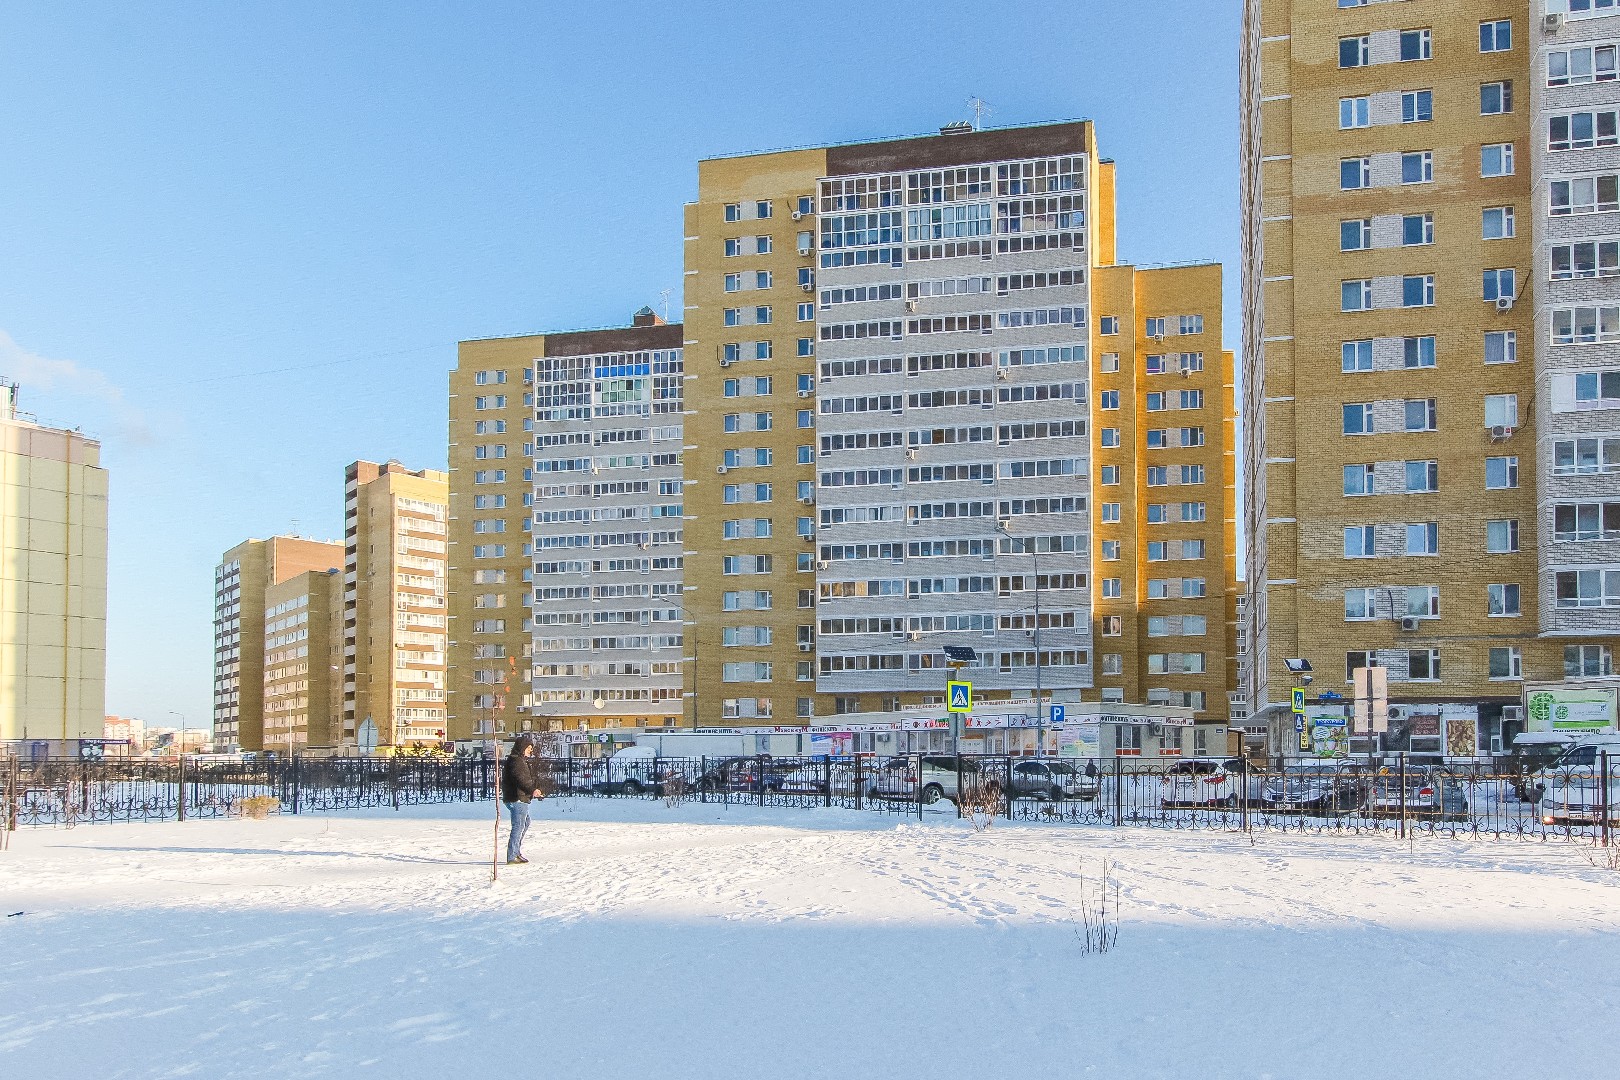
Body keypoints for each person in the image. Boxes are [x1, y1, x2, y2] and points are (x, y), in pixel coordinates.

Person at [500, 735, 543, 864]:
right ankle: (512, 855)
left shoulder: (517, 761)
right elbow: (521, 780)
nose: (531, 750)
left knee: (525, 823)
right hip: (517, 798)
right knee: (518, 826)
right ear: (522, 747)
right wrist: (532, 790)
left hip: (517, 798)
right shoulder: (517, 762)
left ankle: (516, 852)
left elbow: (524, 779)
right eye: (528, 748)